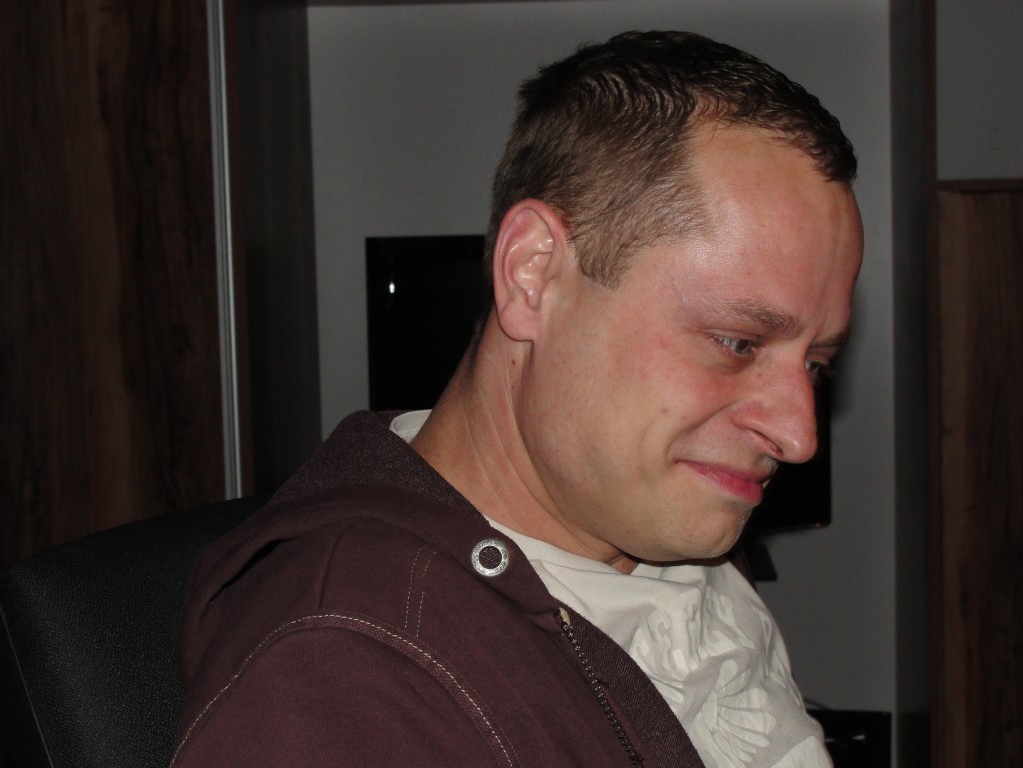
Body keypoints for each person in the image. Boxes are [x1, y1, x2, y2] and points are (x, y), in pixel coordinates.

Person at [173, 30, 862, 768]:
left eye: (816, 365)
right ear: (533, 275)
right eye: (737, 342)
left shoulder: (656, 521)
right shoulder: (349, 682)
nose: (799, 435)